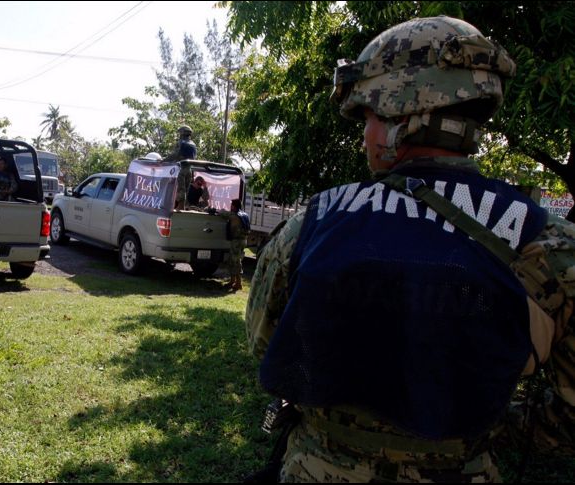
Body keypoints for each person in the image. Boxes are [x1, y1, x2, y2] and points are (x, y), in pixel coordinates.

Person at [246, 16, 575, 482]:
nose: (365, 135)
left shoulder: (313, 225)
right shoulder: (547, 244)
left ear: (403, 117)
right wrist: (484, 430)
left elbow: (263, 342)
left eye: (369, 117)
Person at [211, 198, 249, 290]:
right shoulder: (245, 215)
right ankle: (233, 281)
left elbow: (223, 213)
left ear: (234, 206)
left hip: (236, 241)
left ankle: (238, 283)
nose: (230, 206)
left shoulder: (233, 215)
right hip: (243, 241)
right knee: (236, 260)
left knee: (234, 262)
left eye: (231, 205)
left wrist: (214, 210)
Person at [166, 125, 198, 210]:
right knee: (185, 190)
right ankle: (181, 206)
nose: (180, 134)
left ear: (183, 133)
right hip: (189, 170)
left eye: (180, 132)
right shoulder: (193, 144)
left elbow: (175, 154)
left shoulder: (182, 142)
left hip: (181, 168)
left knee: (181, 189)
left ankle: (180, 207)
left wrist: (164, 160)